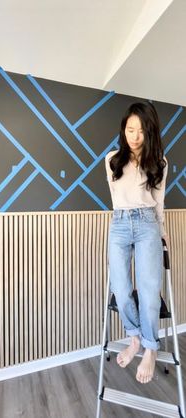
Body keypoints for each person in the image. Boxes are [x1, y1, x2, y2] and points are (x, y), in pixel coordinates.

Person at [105, 101, 168, 384]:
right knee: (120, 286)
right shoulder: (112, 160)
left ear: (149, 132)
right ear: (124, 129)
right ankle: (133, 338)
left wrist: (161, 231)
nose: (135, 136)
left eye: (141, 131)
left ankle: (150, 348)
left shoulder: (160, 163)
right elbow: (117, 198)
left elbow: (159, 202)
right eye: (130, 129)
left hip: (147, 225)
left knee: (148, 287)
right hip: (120, 224)